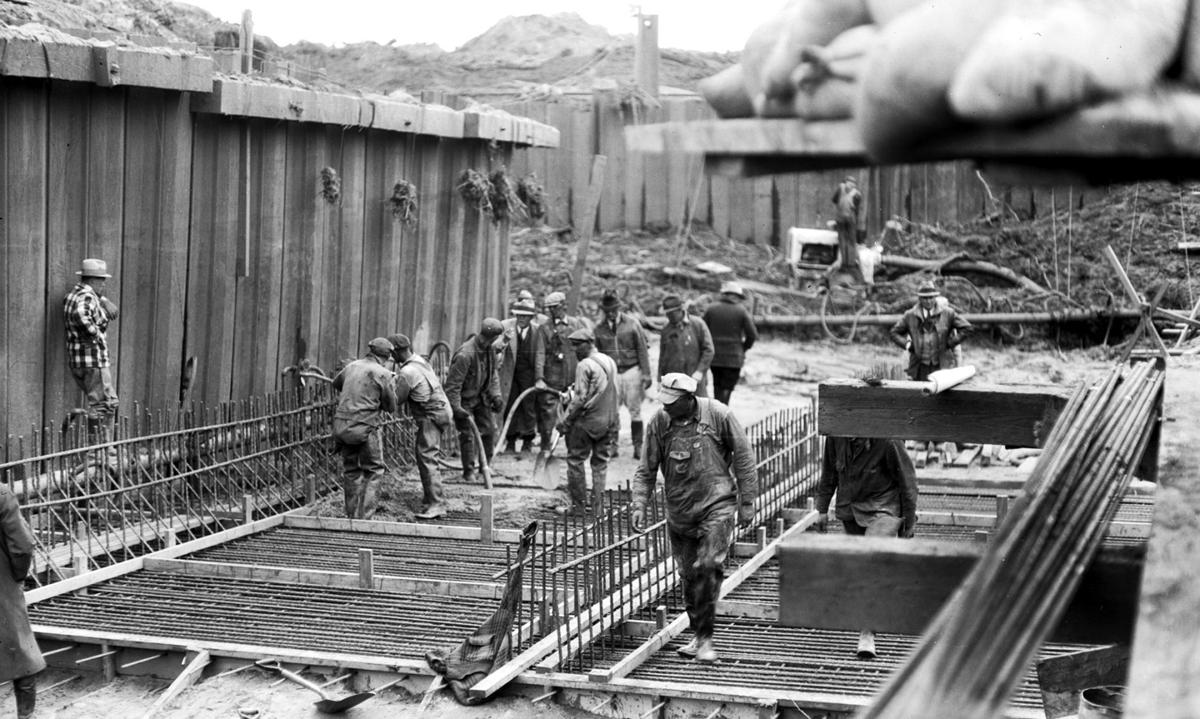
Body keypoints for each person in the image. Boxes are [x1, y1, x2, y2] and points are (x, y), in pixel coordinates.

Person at [629, 373, 758, 664]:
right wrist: (639, 502)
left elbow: (744, 457)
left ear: (690, 399)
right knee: (688, 577)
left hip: (717, 507)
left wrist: (747, 500)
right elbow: (646, 469)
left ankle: (706, 640)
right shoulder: (659, 423)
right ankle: (699, 636)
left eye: (673, 403)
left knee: (708, 567)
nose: (667, 408)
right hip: (681, 514)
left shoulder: (719, 415)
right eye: (664, 402)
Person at [815, 434, 919, 657]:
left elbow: (908, 483)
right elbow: (829, 473)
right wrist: (822, 509)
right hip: (850, 509)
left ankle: (867, 632)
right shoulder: (836, 435)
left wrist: (908, 523)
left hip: (883, 508)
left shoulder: (889, 440)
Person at [331, 338, 398, 519]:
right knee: (374, 470)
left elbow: (336, 383)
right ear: (386, 356)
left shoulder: (351, 367)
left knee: (351, 470)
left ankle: (352, 515)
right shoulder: (384, 373)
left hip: (342, 425)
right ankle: (365, 517)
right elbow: (391, 407)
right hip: (365, 428)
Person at [389, 334, 453, 520]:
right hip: (441, 410)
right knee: (426, 455)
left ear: (398, 351)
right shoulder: (419, 361)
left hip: (430, 415)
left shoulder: (408, 372)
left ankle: (436, 504)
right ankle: (430, 499)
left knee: (427, 457)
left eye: (393, 354)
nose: (392, 358)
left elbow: (395, 400)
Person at [556, 328, 619, 514]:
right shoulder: (609, 361)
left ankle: (578, 508)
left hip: (588, 422)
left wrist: (565, 421)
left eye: (577, 346)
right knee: (600, 464)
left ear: (588, 344)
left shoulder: (585, 365)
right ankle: (598, 509)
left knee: (575, 460)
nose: (575, 350)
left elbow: (580, 399)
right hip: (608, 421)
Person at [63, 258, 120, 443]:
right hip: (94, 361)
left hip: (81, 362)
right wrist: (94, 335)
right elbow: (80, 314)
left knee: (110, 403)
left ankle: (106, 447)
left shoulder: (75, 294)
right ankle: (98, 450)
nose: (104, 284)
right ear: (93, 280)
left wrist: (103, 301)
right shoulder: (86, 297)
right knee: (102, 405)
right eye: (102, 280)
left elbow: (84, 303)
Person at [1, 485, 44, 719]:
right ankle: (26, 715)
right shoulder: (2, 494)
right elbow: (23, 545)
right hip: (2, 585)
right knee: (21, 649)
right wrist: (17, 576)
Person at [593, 290, 652, 459]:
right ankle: (612, 445)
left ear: (619, 308)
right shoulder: (599, 329)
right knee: (612, 411)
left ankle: (638, 446)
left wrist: (646, 374)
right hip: (612, 373)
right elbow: (597, 353)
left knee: (635, 410)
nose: (611, 314)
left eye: (613, 310)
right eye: (607, 310)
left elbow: (642, 349)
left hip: (632, 370)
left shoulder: (632, 324)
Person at [446, 318, 505, 483]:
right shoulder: (465, 354)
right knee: (468, 435)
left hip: (481, 398)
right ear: (491, 337)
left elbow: (493, 375)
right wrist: (456, 408)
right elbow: (452, 386)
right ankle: (468, 472)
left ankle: (485, 466)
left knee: (489, 431)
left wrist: (496, 395)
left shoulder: (489, 350)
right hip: (464, 401)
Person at [533, 291, 591, 460]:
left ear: (563, 306)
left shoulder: (576, 325)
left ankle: (571, 449)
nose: (552, 312)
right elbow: (539, 354)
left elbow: (586, 349)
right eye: (549, 309)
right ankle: (545, 449)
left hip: (573, 379)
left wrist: (586, 375)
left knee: (572, 416)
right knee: (547, 417)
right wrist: (539, 378)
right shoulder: (544, 329)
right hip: (551, 382)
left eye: (555, 308)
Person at [888, 281, 973, 381]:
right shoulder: (910, 315)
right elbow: (894, 332)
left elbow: (967, 328)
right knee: (920, 393)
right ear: (920, 299)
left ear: (935, 297)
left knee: (942, 393)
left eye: (931, 297)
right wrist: (908, 345)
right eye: (925, 298)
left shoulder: (948, 313)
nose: (928, 301)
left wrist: (950, 343)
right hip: (919, 366)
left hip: (942, 364)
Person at [703, 281, 759, 406]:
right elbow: (752, 335)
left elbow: (702, 332)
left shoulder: (711, 309)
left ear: (724, 294)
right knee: (727, 388)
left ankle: (717, 412)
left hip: (715, 357)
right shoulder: (741, 311)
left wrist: (706, 349)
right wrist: (743, 348)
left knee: (717, 385)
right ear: (736, 296)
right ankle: (722, 413)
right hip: (734, 358)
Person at [496, 298, 540, 457]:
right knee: (509, 405)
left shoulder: (538, 331)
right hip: (510, 374)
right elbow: (496, 347)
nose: (522, 319)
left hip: (529, 374)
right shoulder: (505, 326)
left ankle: (528, 441)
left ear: (531, 317)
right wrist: (505, 340)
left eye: (525, 316)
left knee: (529, 406)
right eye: (519, 315)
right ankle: (511, 441)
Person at [657, 295, 715, 399]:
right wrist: (659, 379)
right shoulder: (666, 329)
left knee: (699, 409)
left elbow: (709, 350)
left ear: (681, 310)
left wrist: (700, 371)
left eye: (671, 313)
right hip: (674, 381)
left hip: (695, 378)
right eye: (667, 313)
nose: (669, 316)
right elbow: (662, 357)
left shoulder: (698, 324)